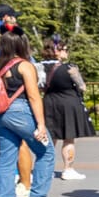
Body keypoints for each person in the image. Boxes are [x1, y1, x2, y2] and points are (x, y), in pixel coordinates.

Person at [0, 30, 59, 197]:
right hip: (20, 111)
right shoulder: (25, 65)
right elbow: (34, 97)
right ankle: (39, 195)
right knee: (46, 151)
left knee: (6, 157)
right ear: (22, 44)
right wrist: (41, 125)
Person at [39, 36, 92, 180]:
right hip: (69, 103)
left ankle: (46, 169)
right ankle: (68, 169)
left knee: (50, 138)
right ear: (57, 50)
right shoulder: (70, 68)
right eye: (65, 49)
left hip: (49, 102)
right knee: (68, 138)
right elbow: (82, 87)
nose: (67, 52)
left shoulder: (39, 67)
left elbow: (40, 88)